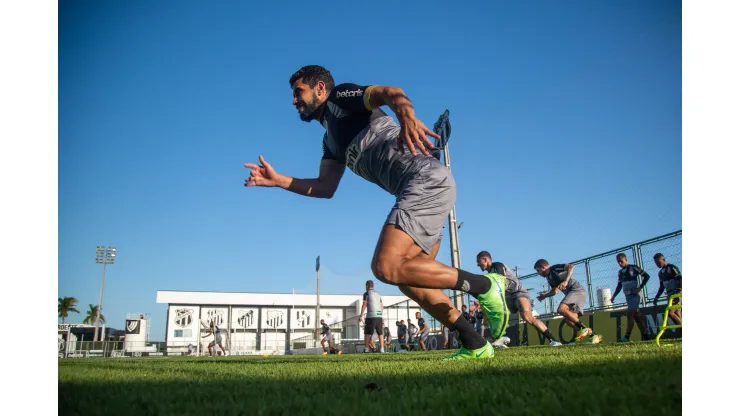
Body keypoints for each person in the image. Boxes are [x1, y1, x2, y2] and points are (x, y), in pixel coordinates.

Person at [245, 65, 506, 360]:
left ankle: (486, 285)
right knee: (410, 279)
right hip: (423, 188)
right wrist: (277, 180)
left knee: (385, 266)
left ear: (319, 88)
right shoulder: (330, 141)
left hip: (424, 178)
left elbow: (391, 93)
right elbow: (325, 186)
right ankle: (475, 344)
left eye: (298, 92)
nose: (294, 100)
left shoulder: (339, 98)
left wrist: (407, 117)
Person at [477, 251, 561, 346]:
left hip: (518, 293)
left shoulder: (498, 266)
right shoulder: (489, 274)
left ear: (485, 259)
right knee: (490, 315)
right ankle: (498, 340)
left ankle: (553, 340)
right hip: (507, 298)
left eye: (478, 261)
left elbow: (501, 282)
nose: (477, 264)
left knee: (527, 316)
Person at [534, 259, 602, 344]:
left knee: (561, 309)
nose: (538, 273)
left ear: (543, 267)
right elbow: (555, 291)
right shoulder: (549, 278)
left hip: (577, 291)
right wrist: (544, 296)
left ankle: (585, 329)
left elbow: (571, 266)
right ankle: (593, 335)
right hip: (572, 294)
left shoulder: (554, 269)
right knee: (569, 321)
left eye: (538, 270)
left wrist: (566, 281)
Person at [610, 253, 650, 342]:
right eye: (618, 262)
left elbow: (646, 276)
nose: (620, 263)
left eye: (621, 261)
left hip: (635, 295)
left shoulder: (633, 267)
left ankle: (627, 337)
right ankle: (646, 336)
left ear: (626, 259)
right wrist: (613, 296)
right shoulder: (620, 272)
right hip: (627, 296)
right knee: (637, 317)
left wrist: (639, 288)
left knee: (629, 313)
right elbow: (619, 285)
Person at [652, 253, 682, 325]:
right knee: (677, 313)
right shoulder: (660, 273)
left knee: (670, 313)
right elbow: (662, 287)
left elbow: (680, 279)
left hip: (676, 293)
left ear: (663, 260)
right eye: (656, 263)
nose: (657, 265)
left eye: (658, 262)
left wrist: (678, 292)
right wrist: (656, 297)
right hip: (669, 295)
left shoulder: (672, 268)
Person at [359, 280, 385, 353]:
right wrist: (379, 314)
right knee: (380, 333)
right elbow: (382, 306)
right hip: (379, 316)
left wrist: (361, 315)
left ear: (367, 286)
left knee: (367, 333)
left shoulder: (366, 294)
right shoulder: (378, 294)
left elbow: (364, 305)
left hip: (370, 316)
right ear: (373, 286)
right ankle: (382, 349)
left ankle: (366, 349)